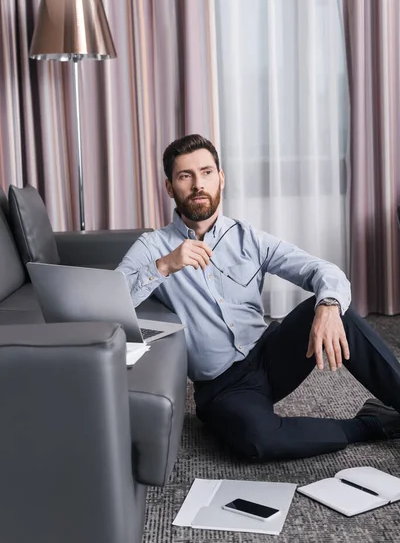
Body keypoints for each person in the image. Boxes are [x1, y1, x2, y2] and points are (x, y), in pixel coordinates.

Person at [117, 134, 400, 461]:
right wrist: (164, 266)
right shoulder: (153, 246)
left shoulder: (248, 238)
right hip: (224, 387)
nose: (198, 184)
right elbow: (112, 298)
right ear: (170, 187)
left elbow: (320, 269)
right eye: (185, 176)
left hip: (271, 354)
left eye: (207, 172)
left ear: (221, 178)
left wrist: (329, 305)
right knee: (260, 442)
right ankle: (372, 424)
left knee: (334, 309)